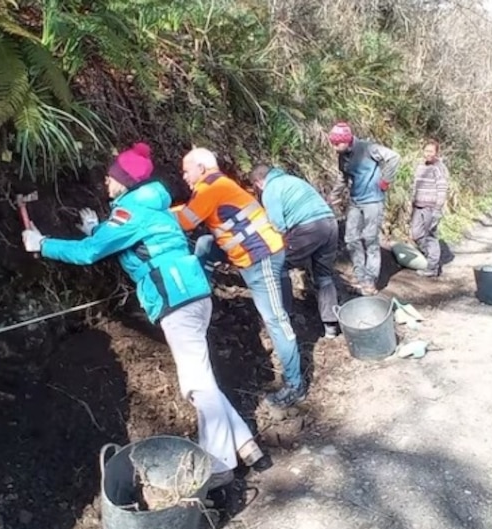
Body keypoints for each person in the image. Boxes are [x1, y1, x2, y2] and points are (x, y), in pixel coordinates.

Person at [21, 143, 270, 486]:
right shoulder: (153, 207)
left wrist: (42, 243)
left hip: (174, 299)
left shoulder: (128, 214)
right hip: (194, 291)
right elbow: (133, 244)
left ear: (123, 182)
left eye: (111, 178)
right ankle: (245, 444)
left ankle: (218, 464)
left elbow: (92, 252)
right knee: (203, 376)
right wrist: (96, 228)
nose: (106, 184)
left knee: (196, 384)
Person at [176, 148, 307, 408]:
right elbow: (190, 212)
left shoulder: (210, 188)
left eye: (186, 170)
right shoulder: (215, 185)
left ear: (201, 168)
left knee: (275, 320)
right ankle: (203, 292)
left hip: (261, 258)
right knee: (204, 244)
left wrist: (152, 213)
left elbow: (186, 221)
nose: (184, 176)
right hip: (250, 255)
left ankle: (295, 385)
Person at [247, 164, 341, 339]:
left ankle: (285, 315)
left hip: (309, 228)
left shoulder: (271, 190)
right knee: (324, 276)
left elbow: (278, 226)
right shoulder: (293, 180)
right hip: (330, 224)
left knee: (279, 265)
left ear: (258, 183)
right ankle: (330, 326)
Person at [326, 122, 400, 295]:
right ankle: (360, 276)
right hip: (355, 201)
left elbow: (394, 157)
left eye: (337, 143)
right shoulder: (343, 155)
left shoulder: (368, 148)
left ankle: (370, 281)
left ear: (346, 140)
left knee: (370, 239)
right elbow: (343, 177)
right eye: (333, 144)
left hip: (373, 201)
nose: (335, 147)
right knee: (351, 238)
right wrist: (334, 195)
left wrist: (385, 181)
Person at [409, 139, 451, 278]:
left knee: (430, 236)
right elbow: (416, 186)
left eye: (431, 151)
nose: (428, 154)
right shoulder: (420, 166)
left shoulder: (439, 168)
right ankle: (429, 256)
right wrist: (413, 201)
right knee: (416, 234)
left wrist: (438, 209)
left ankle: (432, 267)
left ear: (436, 153)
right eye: (426, 151)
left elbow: (442, 189)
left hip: (431, 208)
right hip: (418, 206)